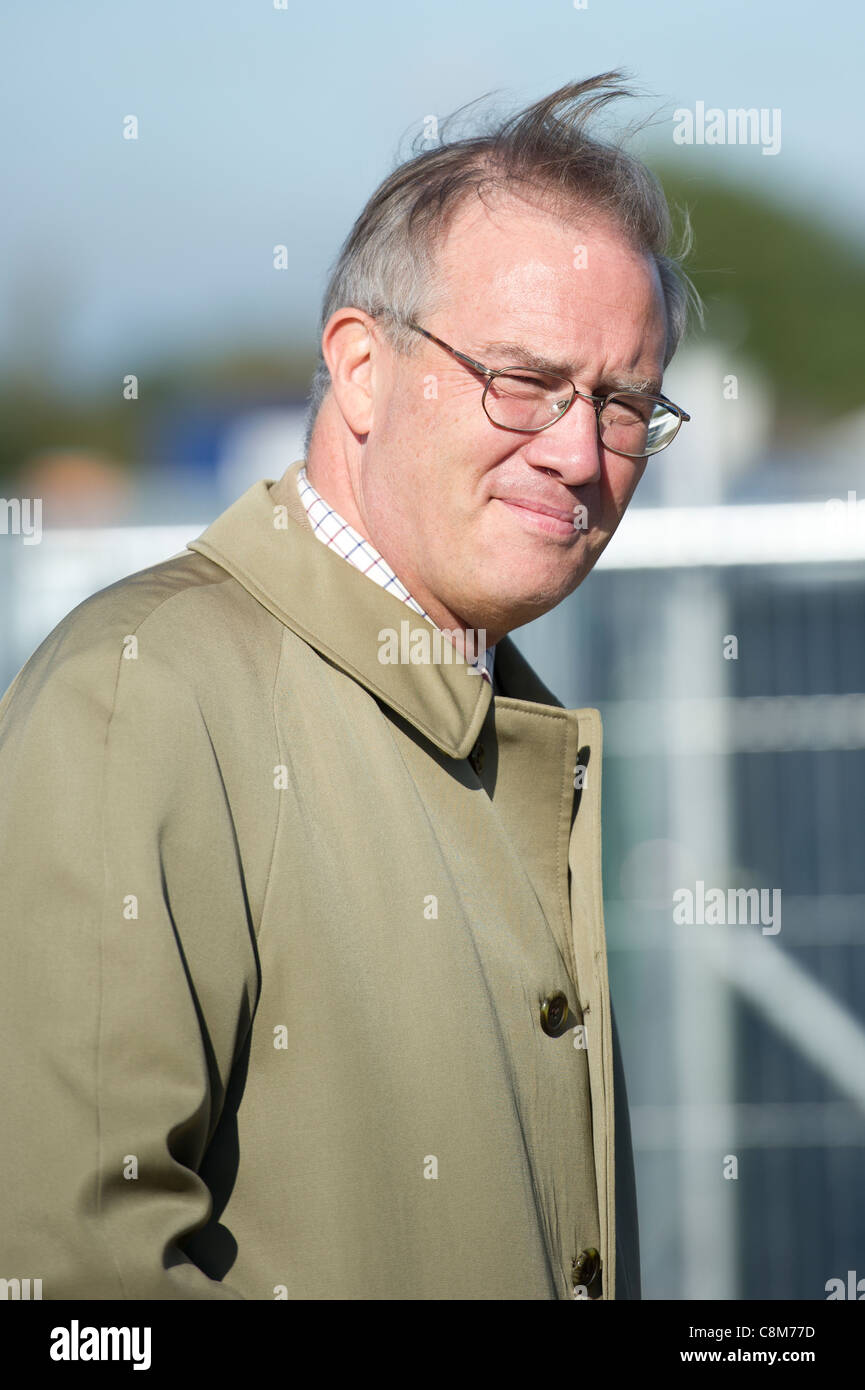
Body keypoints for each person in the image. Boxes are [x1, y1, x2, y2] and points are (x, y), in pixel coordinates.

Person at [0, 71, 695, 1300]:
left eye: (624, 402)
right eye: (523, 380)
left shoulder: (484, 704)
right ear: (360, 370)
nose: (580, 452)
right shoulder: (142, 693)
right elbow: (70, 1287)